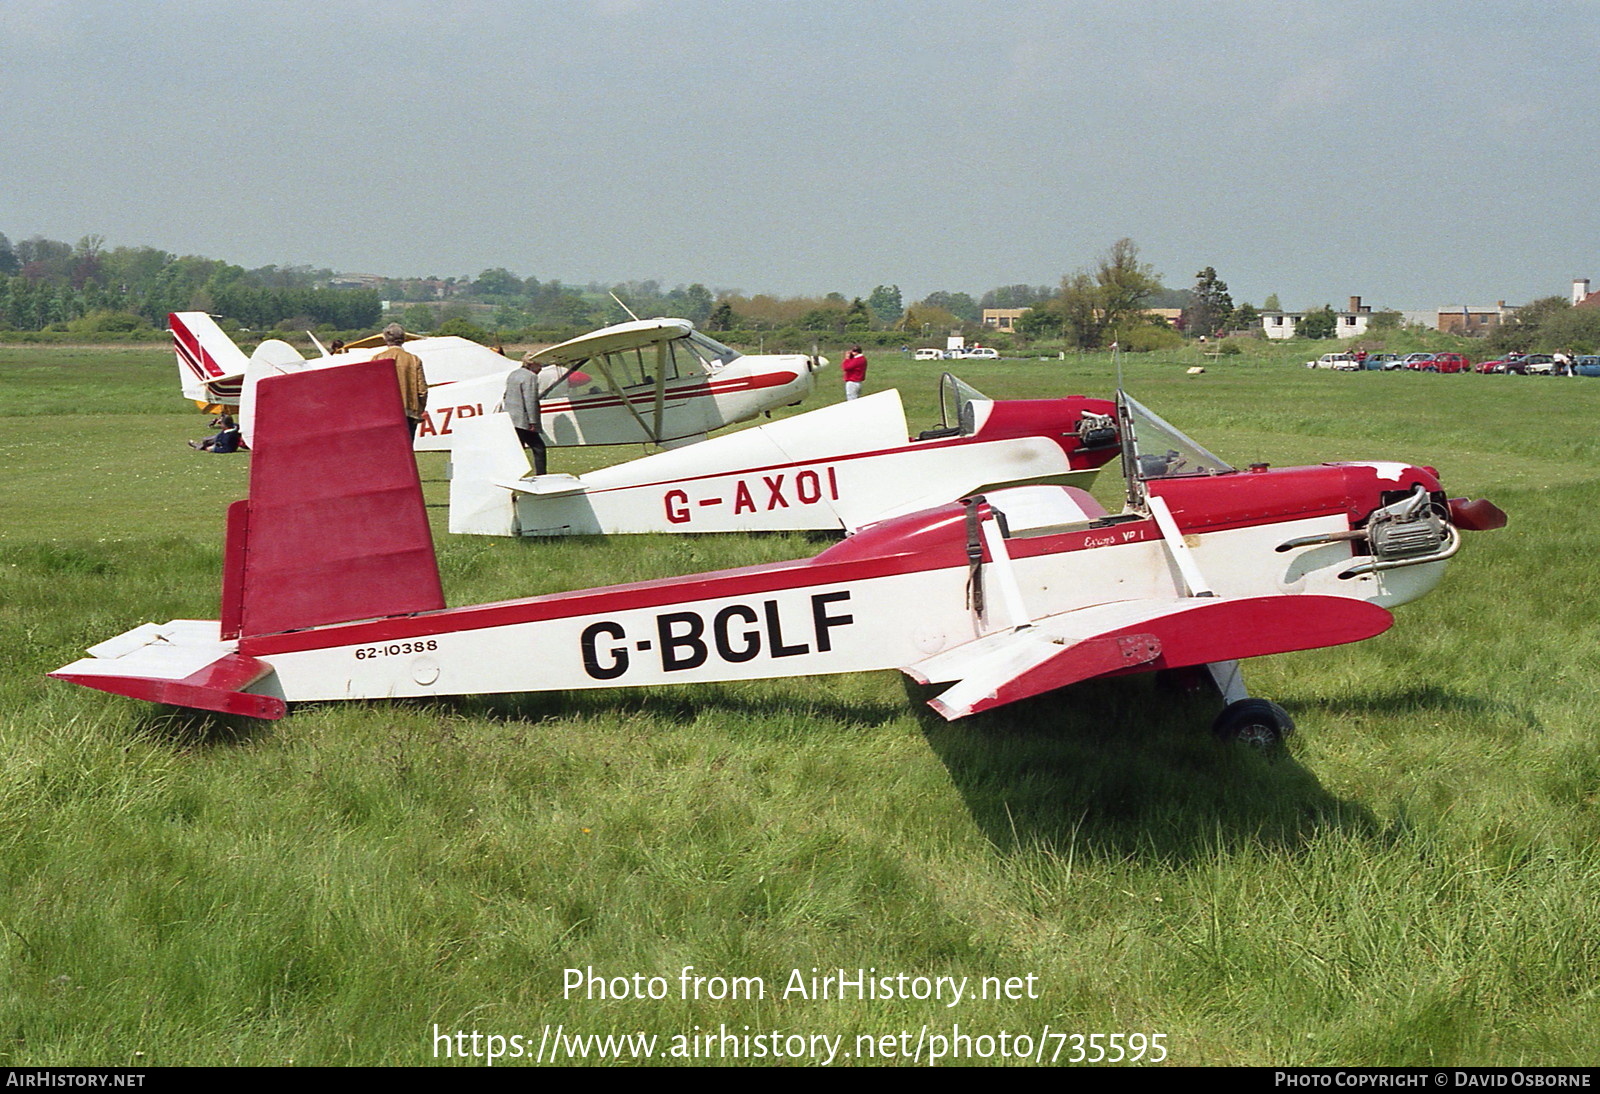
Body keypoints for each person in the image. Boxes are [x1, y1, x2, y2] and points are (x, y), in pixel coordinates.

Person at [368, 323, 428, 437]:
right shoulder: (414, 359)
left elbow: (371, 388)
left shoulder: (377, 358)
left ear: (385, 338)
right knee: (407, 449)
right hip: (409, 412)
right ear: (403, 339)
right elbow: (422, 391)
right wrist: (418, 411)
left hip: (384, 412)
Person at [504, 352, 551, 475]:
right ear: (532, 364)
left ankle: (513, 475)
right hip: (523, 420)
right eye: (539, 364)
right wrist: (533, 421)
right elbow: (530, 400)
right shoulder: (530, 377)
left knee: (518, 450)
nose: (541, 367)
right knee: (539, 448)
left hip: (511, 418)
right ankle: (541, 475)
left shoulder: (513, 374)